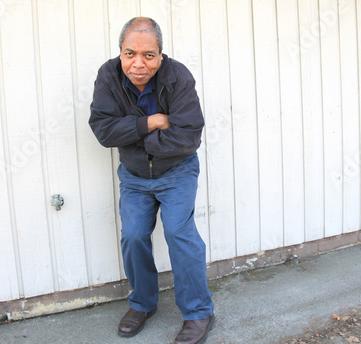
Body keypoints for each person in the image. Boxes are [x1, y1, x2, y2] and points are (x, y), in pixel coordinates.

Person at [89, 17, 215, 344]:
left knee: (178, 232)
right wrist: (151, 123)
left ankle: (199, 312)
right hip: (134, 175)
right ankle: (143, 303)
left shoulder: (178, 77)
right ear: (120, 53)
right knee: (132, 235)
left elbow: (188, 135)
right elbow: (103, 130)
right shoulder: (108, 76)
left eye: (148, 55)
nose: (138, 63)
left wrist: (136, 137)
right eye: (130, 53)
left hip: (177, 172)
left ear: (160, 56)